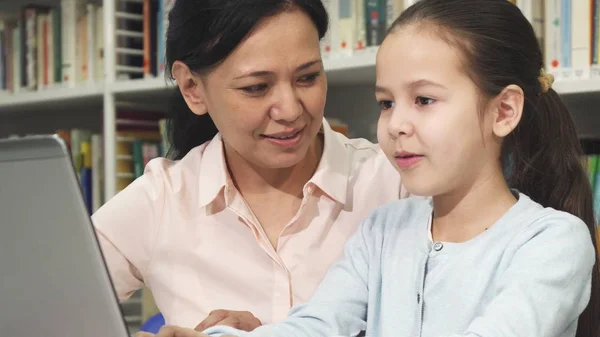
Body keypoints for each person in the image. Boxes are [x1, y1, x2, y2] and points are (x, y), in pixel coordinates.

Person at [138, 0, 600, 336]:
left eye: (424, 100)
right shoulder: (383, 230)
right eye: (385, 103)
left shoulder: (553, 242)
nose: (396, 124)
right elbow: (317, 326)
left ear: (503, 111)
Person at [91, 0, 409, 332]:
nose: (289, 110)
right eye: (256, 88)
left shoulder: (395, 182)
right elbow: (42, 312)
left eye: (308, 77)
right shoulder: (161, 202)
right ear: (191, 87)